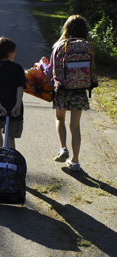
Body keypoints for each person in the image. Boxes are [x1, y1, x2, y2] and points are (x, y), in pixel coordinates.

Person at [40, 15, 98, 172]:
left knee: (60, 118)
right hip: (80, 89)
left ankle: (63, 148)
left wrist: (42, 65)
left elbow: (50, 71)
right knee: (76, 126)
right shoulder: (88, 46)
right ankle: (75, 161)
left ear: (66, 28)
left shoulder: (60, 46)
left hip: (63, 89)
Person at [0, 36, 26, 149]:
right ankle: (10, 157)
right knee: (10, 134)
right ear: (11, 52)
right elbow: (20, 88)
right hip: (13, 104)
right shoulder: (18, 69)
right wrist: (17, 105)